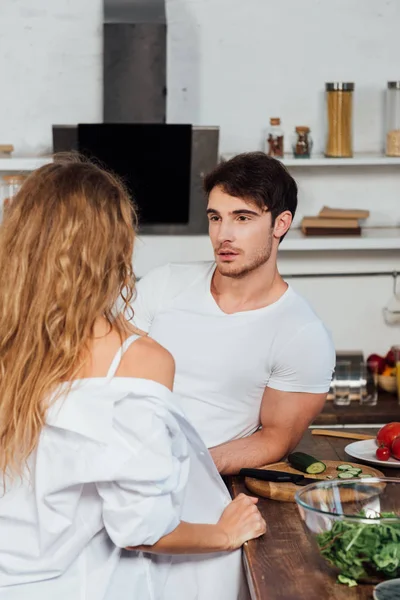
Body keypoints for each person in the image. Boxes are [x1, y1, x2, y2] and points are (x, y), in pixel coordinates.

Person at [0, 156, 265, 600]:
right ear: (115, 246)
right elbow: (139, 529)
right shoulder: (137, 359)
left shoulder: (11, 342)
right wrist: (222, 533)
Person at [132, 152, 336, 475]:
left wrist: (185, 470)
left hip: (207, 488)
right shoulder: (164, 283)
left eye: (242, 218)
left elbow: (276, 438)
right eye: (216, 218)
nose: (223, 234)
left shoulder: (303, 334)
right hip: (121, 470)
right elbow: (107, 377)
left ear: (280, 224)